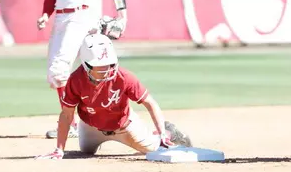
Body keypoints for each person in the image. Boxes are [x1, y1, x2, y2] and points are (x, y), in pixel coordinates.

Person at [36, 34, 192, 159]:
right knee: (86, 151)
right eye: (99, 67)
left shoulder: (124, 77)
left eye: (109, 64)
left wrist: (163, 134)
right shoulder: (75, 80)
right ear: (85, 64)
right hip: (91, 127)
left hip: (124, 127)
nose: (106, 70)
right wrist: (59, 149)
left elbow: (150, 103)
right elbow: (66, 114)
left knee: (152, 148)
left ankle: (170, 132)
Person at [37, 0, 127, 139]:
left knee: (62, 71)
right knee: (56, 76)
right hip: (60, 19)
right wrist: (45, 15)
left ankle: (89, 122)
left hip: (81, 16)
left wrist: (122, 14)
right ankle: (77, 123)